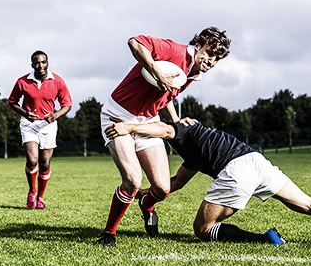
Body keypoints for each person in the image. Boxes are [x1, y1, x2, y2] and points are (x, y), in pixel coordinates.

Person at [104, 119, 311, 248]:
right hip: (257, 162)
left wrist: (130, 127)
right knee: (309, 204)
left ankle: (264, 239)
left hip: (236, 170)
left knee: (202, 230)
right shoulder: (195, 152)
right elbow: (176, 183)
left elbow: (166, 129)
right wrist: (144, 194)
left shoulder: (184, 131)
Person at [97, 27, 231, 247]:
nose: (211, 60)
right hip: (118, 116)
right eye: (209, 52)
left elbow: (167, 92)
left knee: (162, 188)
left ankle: (146, 204)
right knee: (132, 181)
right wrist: (155, 71)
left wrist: (175, 119)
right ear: (198, 44)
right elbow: (134, 41)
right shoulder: (175, 51)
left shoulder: (193, 71)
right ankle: (109, 233)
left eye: (217, 58)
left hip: (148, 121)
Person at [8, 50, 72, 210]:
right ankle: (32, 191)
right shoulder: (23, 81)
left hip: (48, 126)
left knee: (45, 163)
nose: (40, 65)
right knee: (32, 160)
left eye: (43, 62)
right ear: (32, 65)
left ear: (47, 63)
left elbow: (67, 104)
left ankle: (41, 197)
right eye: (37, 62)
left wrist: (55, 115)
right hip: (29, 125)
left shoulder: (57, 81)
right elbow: (12, 101)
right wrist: (25, 113)